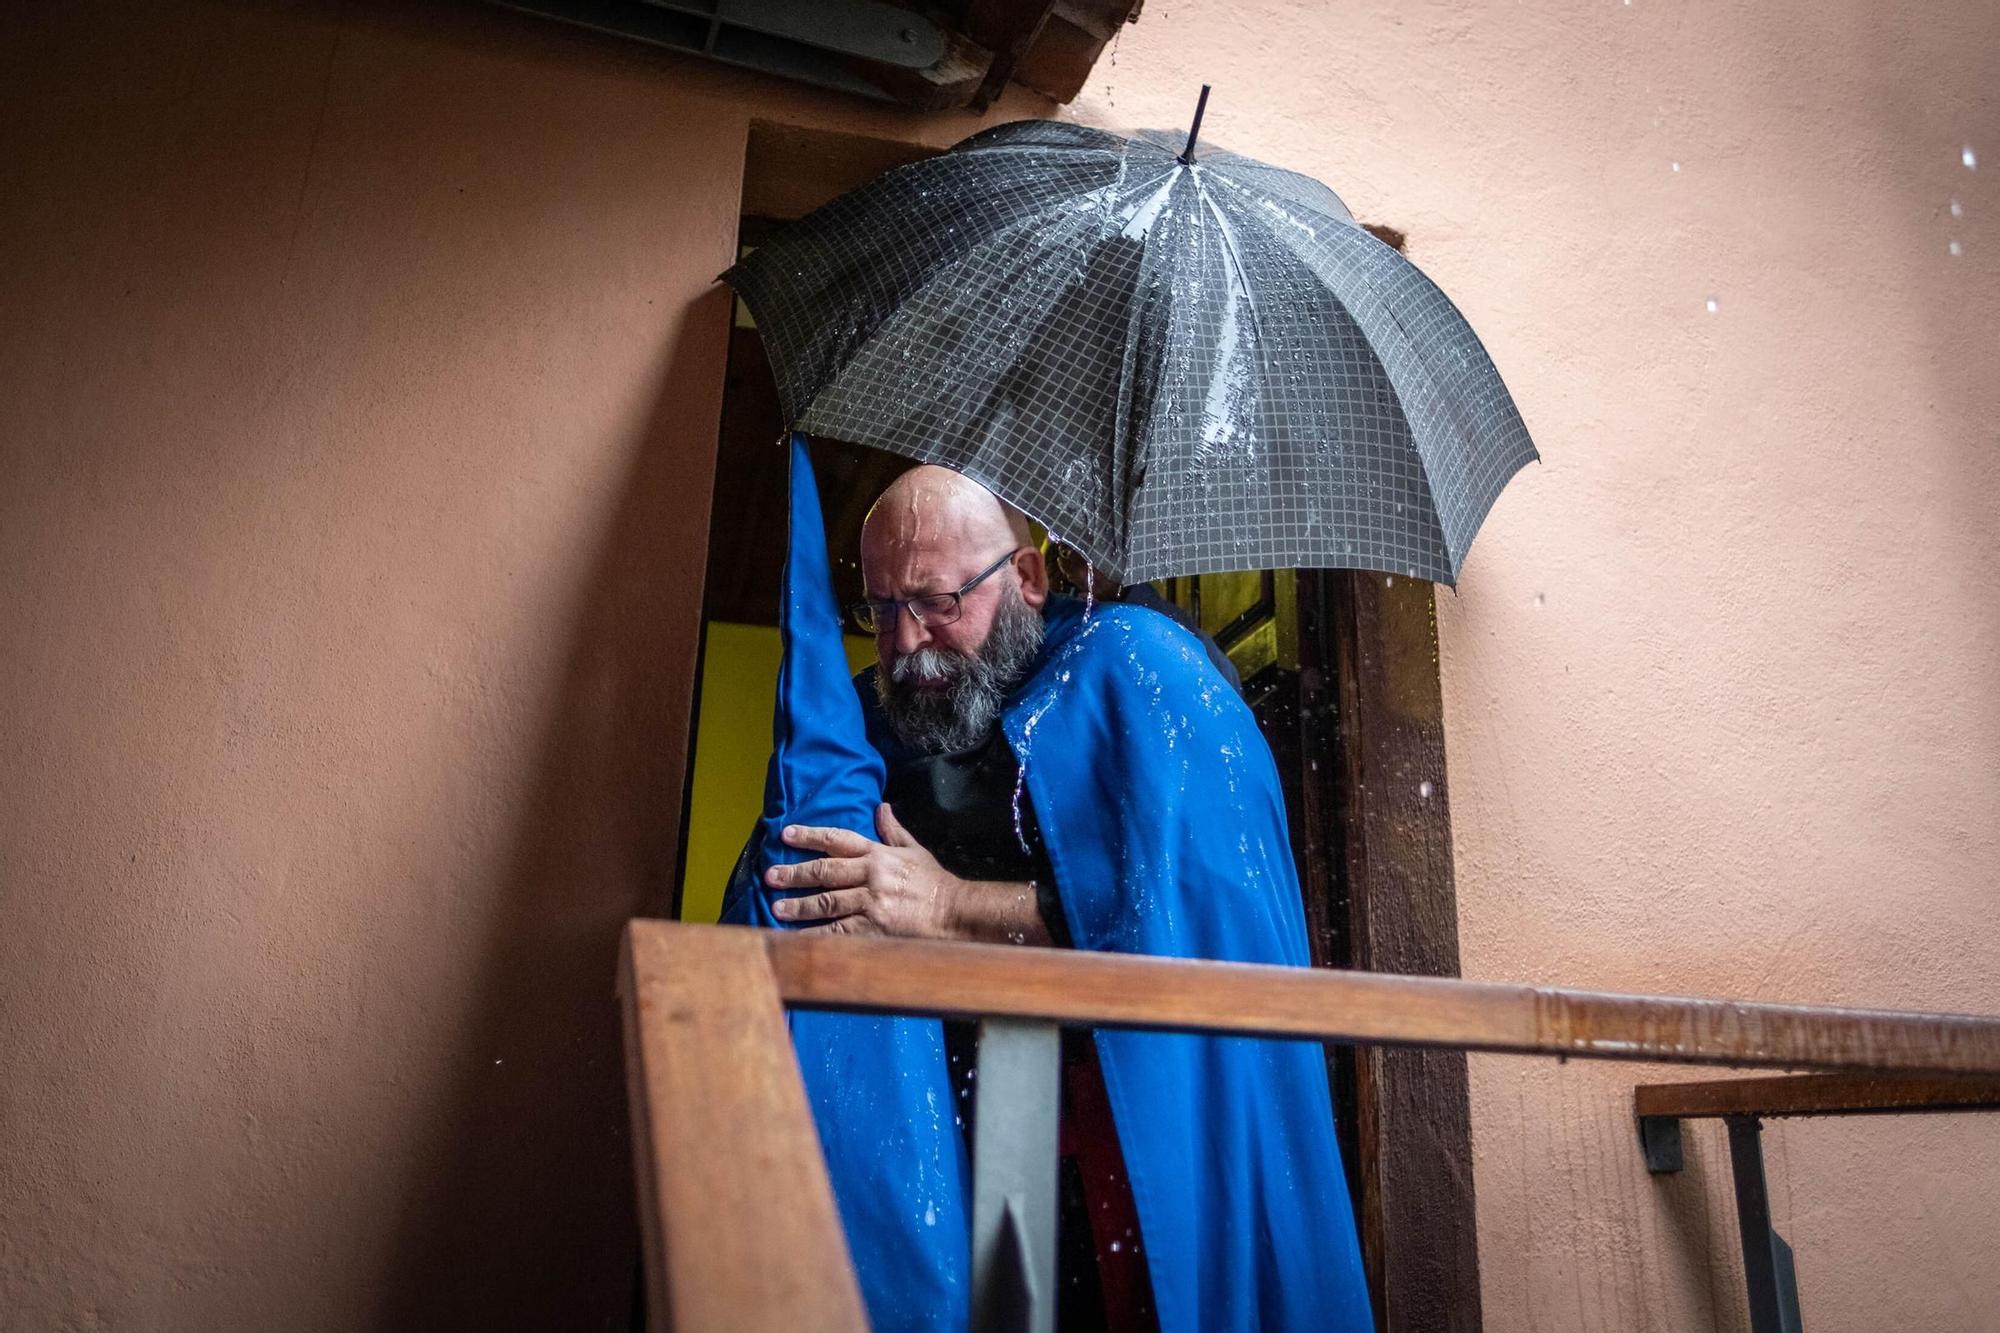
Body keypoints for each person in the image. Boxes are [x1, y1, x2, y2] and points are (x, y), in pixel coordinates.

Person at [738, 464, 1372, 1332]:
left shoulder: (1144, 676)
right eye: (880, 610)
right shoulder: (877, 724)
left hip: (1146, 1134)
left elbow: (1176, 923)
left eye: (935, 600)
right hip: (975, 1155)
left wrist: (949, 906)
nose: (906, 642)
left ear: (1026, 578)